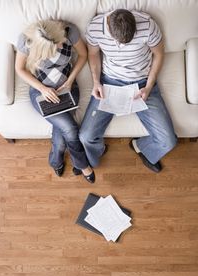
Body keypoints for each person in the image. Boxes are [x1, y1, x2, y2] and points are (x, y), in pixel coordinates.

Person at [79, 9, 177, 173]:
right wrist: (96, 83)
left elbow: (159, 54)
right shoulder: (96, 27)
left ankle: (140, 146)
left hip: (142, 83)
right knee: (86, 136)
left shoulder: (148, 25)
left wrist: (149, 86)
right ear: (109, 28)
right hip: (110, 82)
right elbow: (93, 54)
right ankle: (98, 153)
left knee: (169, 141)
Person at [15, 19, 95, 183]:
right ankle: (82, 164)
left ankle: (56, 161)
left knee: (63, 132)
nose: (61, 47)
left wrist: (70, 80)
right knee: (70, 129)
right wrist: (43, 89)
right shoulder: (26, 41)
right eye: (56, 46)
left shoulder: (69, 31)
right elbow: (19, 69)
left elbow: (83, 54)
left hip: (67, 88)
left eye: (60, 43)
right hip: (40, 92)